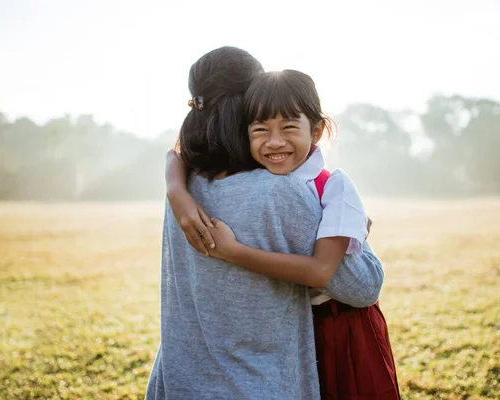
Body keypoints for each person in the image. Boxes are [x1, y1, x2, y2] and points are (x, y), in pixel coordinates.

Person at [146, 46, 384, 400]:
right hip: (256, 384)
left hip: (178, 382)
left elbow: (176, 155)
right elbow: (362, 287)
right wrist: (356, 234)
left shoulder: (185, 188)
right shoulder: (278, 190)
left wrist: (173, 179)